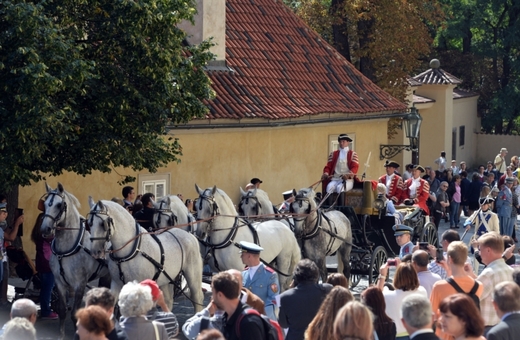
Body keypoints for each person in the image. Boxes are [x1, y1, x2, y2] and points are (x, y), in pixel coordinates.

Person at [429, 241, 483, 340]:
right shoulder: (478, 285)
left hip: (444, 336)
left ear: (450, 259)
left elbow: (431, 315)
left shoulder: (439, 286)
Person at [278, 259, 333, 340]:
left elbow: (283, 324)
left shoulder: (283, 297)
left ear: (296, 277)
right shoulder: (327, 289)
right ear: (316, 275)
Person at [474, 232, 513, 332]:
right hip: (504, 326)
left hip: (486, 329)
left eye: (480, 249)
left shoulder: (488, 274)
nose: (478, 253)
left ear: (488, 250)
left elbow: (471, 299)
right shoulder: (511, 271)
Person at [378, 262, 428, 339]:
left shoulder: (387, 295)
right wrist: (403, 267)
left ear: (397, 277)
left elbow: (375, 296)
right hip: (415, 334)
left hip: (396, 335)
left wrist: (382, 276)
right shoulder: (422, 291)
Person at [212, 271, 266, 340]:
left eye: (212, 292)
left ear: (220, 295)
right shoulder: (226, 317)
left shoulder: (248, 322)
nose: (212, 297)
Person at [30, 199, 58, 320]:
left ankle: (46, 308)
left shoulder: (38, 233)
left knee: (46, 287)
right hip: (47, 263)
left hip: (42, 262)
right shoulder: (45, 234)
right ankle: (46, 311)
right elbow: (53, 238)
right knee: (47, 288)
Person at [240, 241, 279, 320]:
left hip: (264, 319)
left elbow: (275, 299)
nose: (241, 256)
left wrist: (261, 314)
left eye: (242, 254)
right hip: (246, 318)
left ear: (249, 256)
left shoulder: (270, 275)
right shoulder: (243, 274)